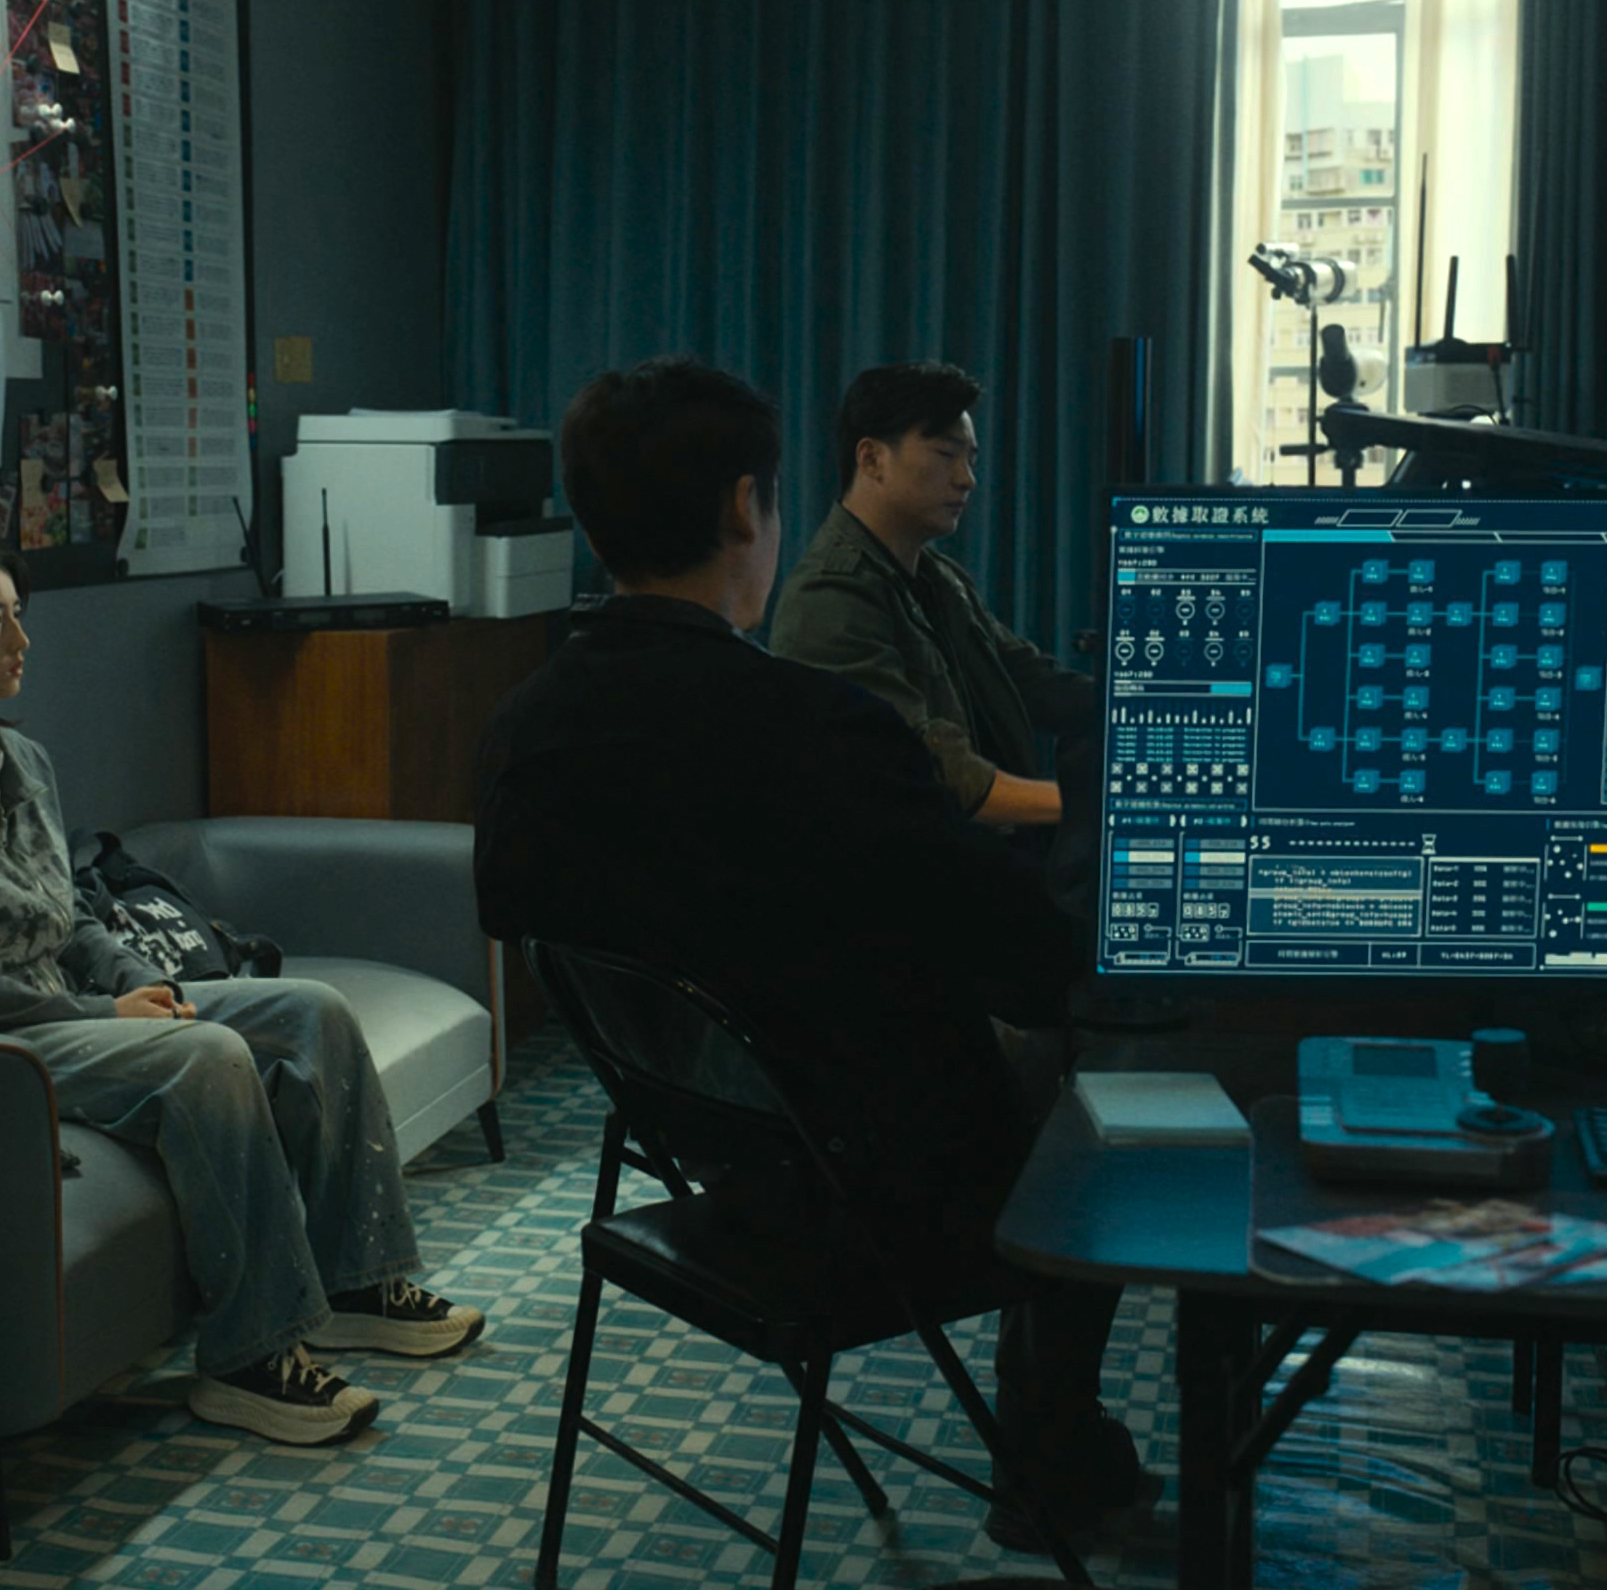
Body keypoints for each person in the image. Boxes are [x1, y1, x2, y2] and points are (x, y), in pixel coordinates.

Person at [474, 357, 1150, 1551]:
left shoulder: (521, 731)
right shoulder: (820, 731)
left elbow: (543, 923)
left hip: (692, 1146)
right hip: (875, 1180)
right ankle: (1053, 1455)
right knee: (1114, 1077)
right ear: (748, 507)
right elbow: (1035, 971)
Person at [0, 526, 481, 1448]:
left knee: (314, 1014)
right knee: (207, 1058)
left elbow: (71, 917)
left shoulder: (27, 762)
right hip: (2, 1039)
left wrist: (144, 981)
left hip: (82, 1002)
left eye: (18, 615)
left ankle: (359, 1283)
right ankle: (251, 1358)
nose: (21, 641)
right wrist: (103, 1013)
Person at [767, 361, 1100, 831]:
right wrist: (1101, 805)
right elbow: (929, 769)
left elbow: (1030, 680)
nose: (967, 479)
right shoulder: (831, 596)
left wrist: (1160, 709)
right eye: (946, 454)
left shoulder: (939, 578)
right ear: (871, 459)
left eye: (971, 460)